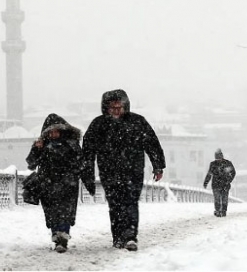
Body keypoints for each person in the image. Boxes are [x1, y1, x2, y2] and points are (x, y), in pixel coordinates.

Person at [81, 89, 166, 251]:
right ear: (106, 108)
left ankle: (130, 236)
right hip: (109, 172)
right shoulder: (98, 125)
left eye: (119, 107)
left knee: (130, 202)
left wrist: (158, 165)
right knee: (115, 204)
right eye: (113, 108)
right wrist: (87, 174)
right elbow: (87, 151)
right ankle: (118, 237)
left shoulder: (137, 122)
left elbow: (152, 144)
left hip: (133, 171)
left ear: (125, 106)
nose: (116, 111)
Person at [26, 113, 95, 253]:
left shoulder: (72, 145)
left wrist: (86, 181)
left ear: (63, 130)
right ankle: (56, 236)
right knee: (51, 213)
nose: (54, 134)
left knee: (65, 212)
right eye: (50, 132)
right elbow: (32, 164)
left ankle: (62, 238)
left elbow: (82, 164)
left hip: (67, 185)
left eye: (56, 131)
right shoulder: (43, 146)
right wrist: (36, 149)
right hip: (48, 185)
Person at [203, 149, 236, 217]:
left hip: (225, 184)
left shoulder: (227, 163)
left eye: (219, 158)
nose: (218, 160)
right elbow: (209, 174)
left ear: (222, 156)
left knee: (224, 198)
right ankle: (218, 211)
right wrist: (206, 182)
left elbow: (233, 172)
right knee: (217, 198)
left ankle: (223, 211)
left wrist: (229, 180)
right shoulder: (213, 164)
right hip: (216, 185)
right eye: (217, 158)